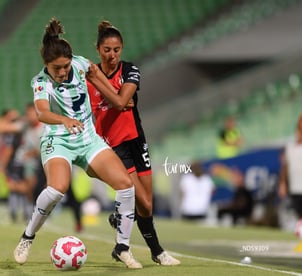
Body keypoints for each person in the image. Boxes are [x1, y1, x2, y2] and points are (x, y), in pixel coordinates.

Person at [13, 18, 141, 269]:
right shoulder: (41, 81)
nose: (61, 72)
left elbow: (99, 80)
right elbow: (41, 113)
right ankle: (27, 237)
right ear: (46, 65)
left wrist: (118, 100)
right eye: (56, 68)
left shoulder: (82, 65)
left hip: (88, 139)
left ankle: (123, 248)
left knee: (126, 185)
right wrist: (64, 119)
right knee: (57, 189)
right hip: (58, 140)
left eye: (65, 66)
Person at [86, 20, 180, 266]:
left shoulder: (130, 70)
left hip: (137, 140)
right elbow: (119, 101)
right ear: (98, 50)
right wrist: (117, 98)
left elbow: (120, 102)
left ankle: (127, 224)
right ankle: (157, 251)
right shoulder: (88, 77)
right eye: (107, 50)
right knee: (142, 200)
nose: (112, 55)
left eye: (116, 50)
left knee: (147, 206)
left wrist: (114, 96)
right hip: (114, 146)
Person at [279, 113, 302, 236]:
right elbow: (285, 167)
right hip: (295, 186)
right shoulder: (290, 147)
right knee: (298, 212)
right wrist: (282, 183)